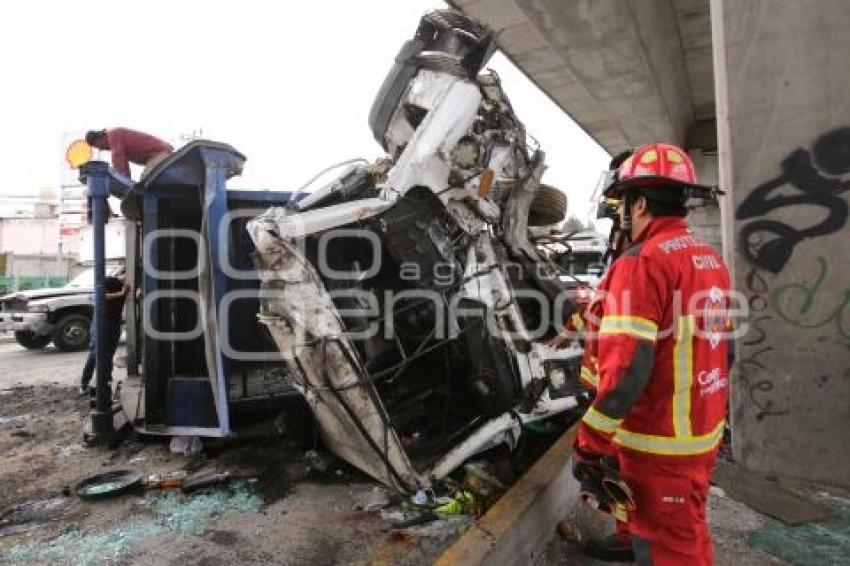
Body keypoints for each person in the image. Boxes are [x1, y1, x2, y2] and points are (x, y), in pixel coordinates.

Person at [571, 142, 732, 565]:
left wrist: (589, 443)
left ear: (639, 203)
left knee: (673, 549)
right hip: (700, 429)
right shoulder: (708, 257)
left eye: (624, 201)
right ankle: (631, 541)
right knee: (678, 528)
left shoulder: (643, 262)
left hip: (661, 442)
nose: (621, 212)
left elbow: (627, 368)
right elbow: (723, 348)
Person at [79, 274, 129, 394]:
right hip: (101, 322)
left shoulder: (126, 286)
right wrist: (121, 294)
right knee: (96, 352)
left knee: (109, 354)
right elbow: (98, 297)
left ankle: (107, 382)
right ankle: (84, 384)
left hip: (115, 323)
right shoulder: (108, 280)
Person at [85, 128, 173, 179]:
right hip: (157, 156)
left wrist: (121, 181)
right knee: (144, 182)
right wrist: (126, 180)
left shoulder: (113, 136)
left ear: (99, 139)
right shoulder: (115, 139)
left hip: (160, 154)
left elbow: (118, 160)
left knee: (146, 182)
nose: (100, 149)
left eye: (97, 146)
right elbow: (123, 165)